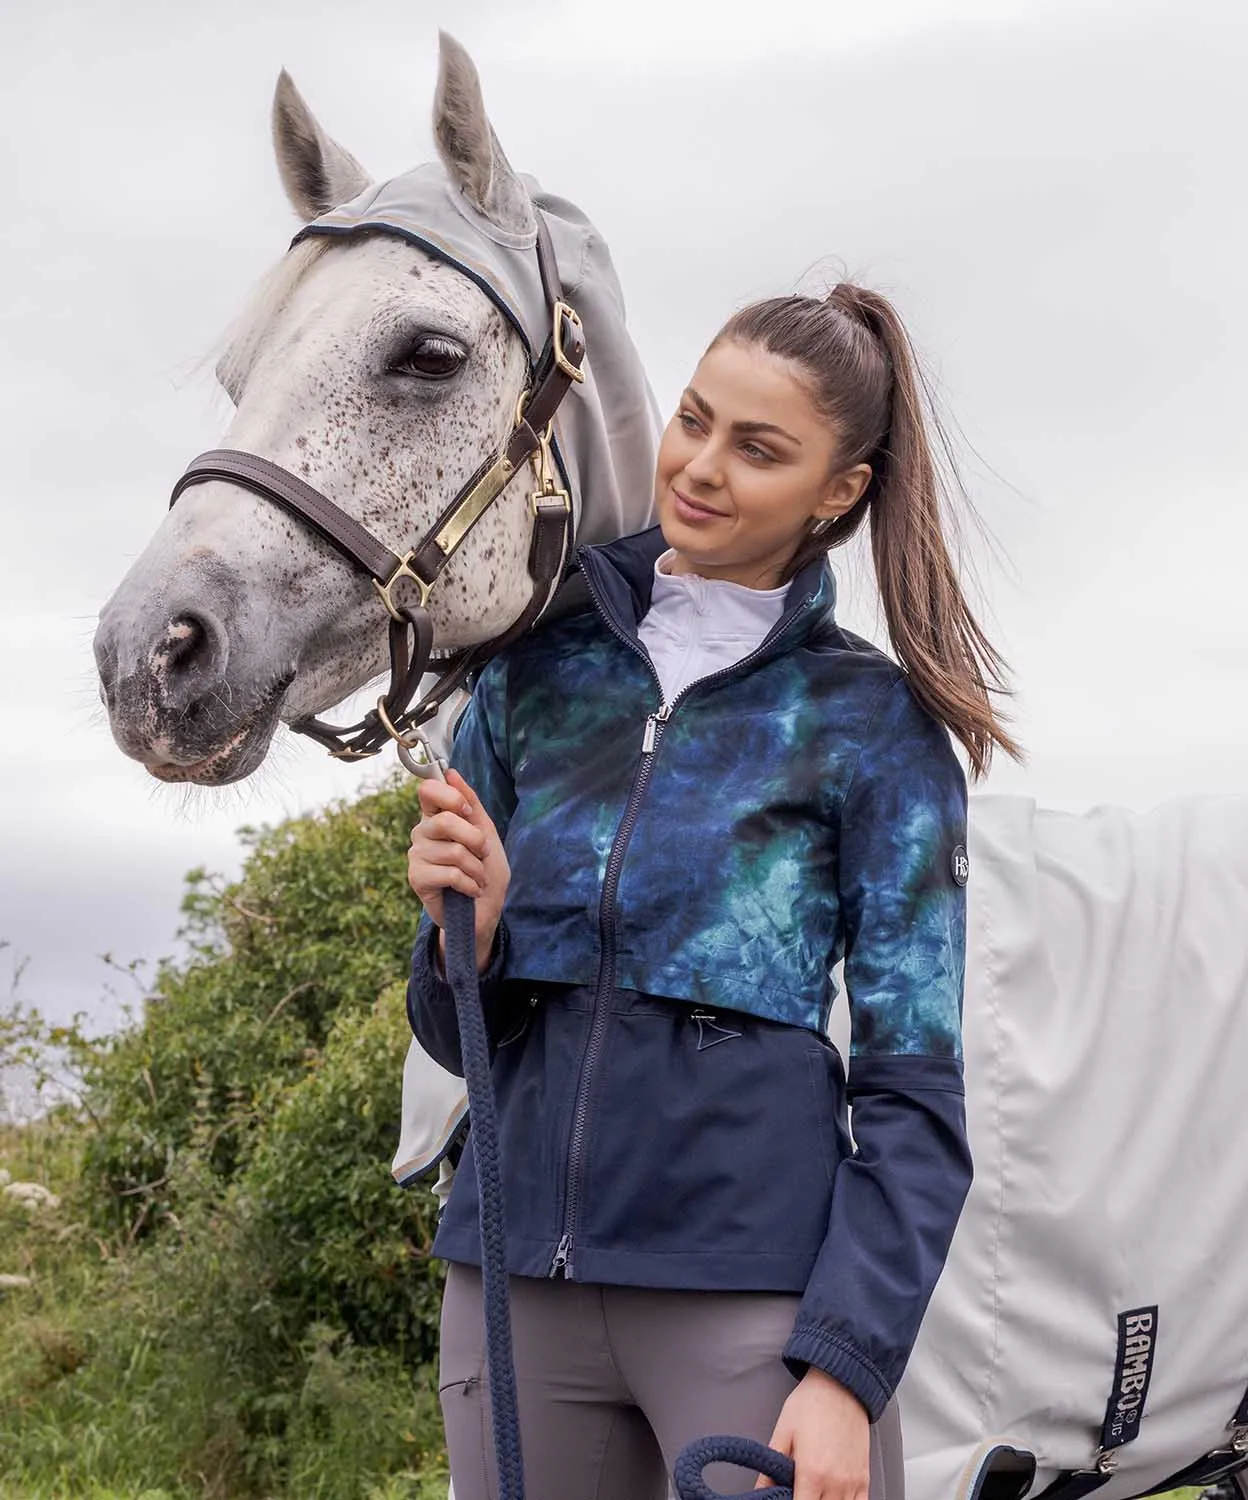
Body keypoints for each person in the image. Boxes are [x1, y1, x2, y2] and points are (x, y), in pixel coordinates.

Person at [405, 284, 1020, 1500]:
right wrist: (463, 938)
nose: (699, 467)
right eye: (694, 420)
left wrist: (844, 1372)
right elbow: (452, 1030)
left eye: (760, 449)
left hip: (747, 1296)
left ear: (837, 491)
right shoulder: (535, 674)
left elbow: (914, 1091)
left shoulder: (875, 730)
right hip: (511, 1282)